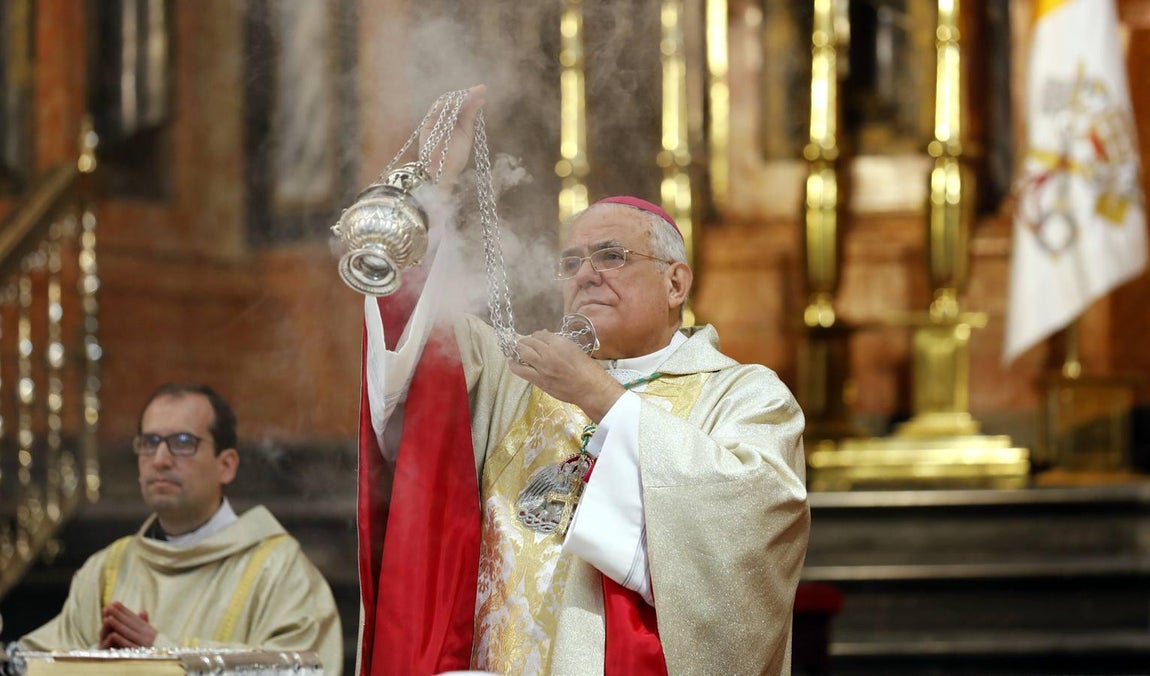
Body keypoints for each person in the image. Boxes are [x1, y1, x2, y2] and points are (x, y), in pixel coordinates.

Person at [355, 87, 809, 675]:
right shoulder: (514, 376)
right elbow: (410, 342)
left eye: (612, 256)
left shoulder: (745, 395)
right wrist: (431, 191)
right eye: (570, 263)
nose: (586, 275)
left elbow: (750, 532)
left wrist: (599, 396)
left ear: (676, 284)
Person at [18, 383, 343, 675]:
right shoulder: (106, 569)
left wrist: (165, 655)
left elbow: (307, 669)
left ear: (226, 465)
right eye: (149, 442)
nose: (160, 459)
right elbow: (31, 665)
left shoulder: (280, 571)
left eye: (183, 442)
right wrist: (97, 665)